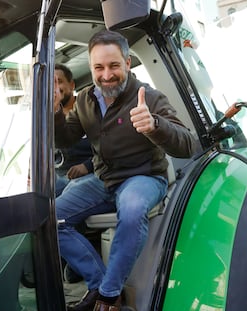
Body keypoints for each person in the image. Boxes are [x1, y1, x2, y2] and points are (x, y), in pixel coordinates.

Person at [53, 30, 194, 311]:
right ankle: (100, 285)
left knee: (131, 209)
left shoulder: (149, 97)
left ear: (127, 64)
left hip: (143, 177)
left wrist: (155, 124)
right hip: (104, 180)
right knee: (51, 218)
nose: (106, 75)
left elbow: (187, 144)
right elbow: (66, 138)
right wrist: (56, 109)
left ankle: (108, 294)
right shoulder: (84, 100)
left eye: (114, 65)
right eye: (99, 67)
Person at [54, 63, 94, 196]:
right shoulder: (45, 118)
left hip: (89, 175)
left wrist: (87, 166)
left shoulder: (90, 108)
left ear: (72, 85)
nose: (54, 88)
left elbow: (109, 146)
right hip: (58, 177)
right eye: (49, 84)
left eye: (58, 82)